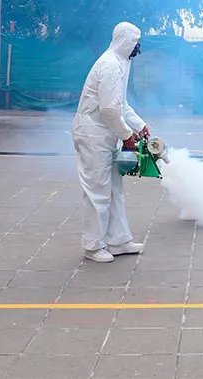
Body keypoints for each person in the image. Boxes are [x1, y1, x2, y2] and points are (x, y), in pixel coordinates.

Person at [72, 22, 149, 263]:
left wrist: (139, 125)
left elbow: (120, 105)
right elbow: (108, 110)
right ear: (124, 41)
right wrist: (127, 136)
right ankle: (93, 246)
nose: (137, 46)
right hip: (93, 134)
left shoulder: (119, 63)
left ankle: (118, 240)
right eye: (134, 41)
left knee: (114, 189)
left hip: (104, 134)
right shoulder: (109, 65)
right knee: (97, 190)